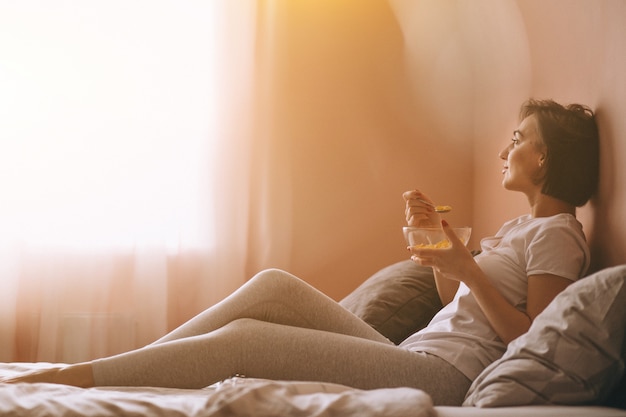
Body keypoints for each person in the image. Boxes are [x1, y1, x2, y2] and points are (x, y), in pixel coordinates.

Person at [1, 99, 600, 406]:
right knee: (273, 286)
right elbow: (456, 308)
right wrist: (443, 257)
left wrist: (466, 265)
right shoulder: (518, 229)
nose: (506, 148)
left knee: (247, 341)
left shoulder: (558, 235)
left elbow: (528, 339)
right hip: (418, 352)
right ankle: (130, 370)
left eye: (519, 139)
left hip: (447, 378)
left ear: (544, 159)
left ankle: (79, 379)